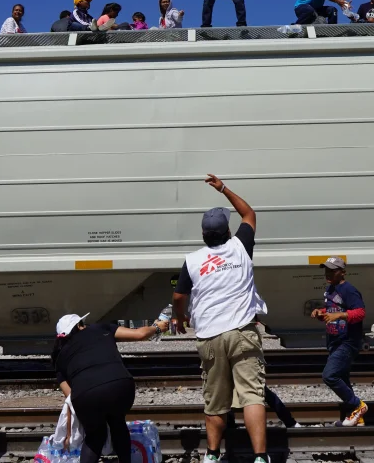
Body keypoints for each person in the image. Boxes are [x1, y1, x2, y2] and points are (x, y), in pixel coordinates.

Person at [171, 175, 268, 463]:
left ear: (204, 235)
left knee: (215, 401)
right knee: (252, 396)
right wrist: (223, 188)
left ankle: (212, 456)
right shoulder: (241, 246)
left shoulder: (193, 260)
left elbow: (178, 297)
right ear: (227, 231)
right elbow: (249, 213)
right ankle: (260, 458)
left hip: (210, 336)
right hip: (242, 331)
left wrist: (180, 318)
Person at [53, 313, 168, 463]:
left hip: (86, 395)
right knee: (118, 424)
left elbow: (69, 393)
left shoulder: (59, 355)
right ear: (79, 326)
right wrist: (157, 327)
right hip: (121, 386)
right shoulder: (100, 328)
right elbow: (140, 334)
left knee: (95, 436)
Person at [310, 257, 367, 426]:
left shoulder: (349, 290)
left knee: (330, 375)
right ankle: (356, 417)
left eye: (332, 270)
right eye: (326, 269)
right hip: (335, 341)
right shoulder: (330, 289)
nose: (328, 273)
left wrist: (340, 315)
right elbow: (332, 312)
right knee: (342, 377)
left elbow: (360, 313)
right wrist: (321, 313)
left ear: (342, 272)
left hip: (347, 341)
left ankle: (359, 406)